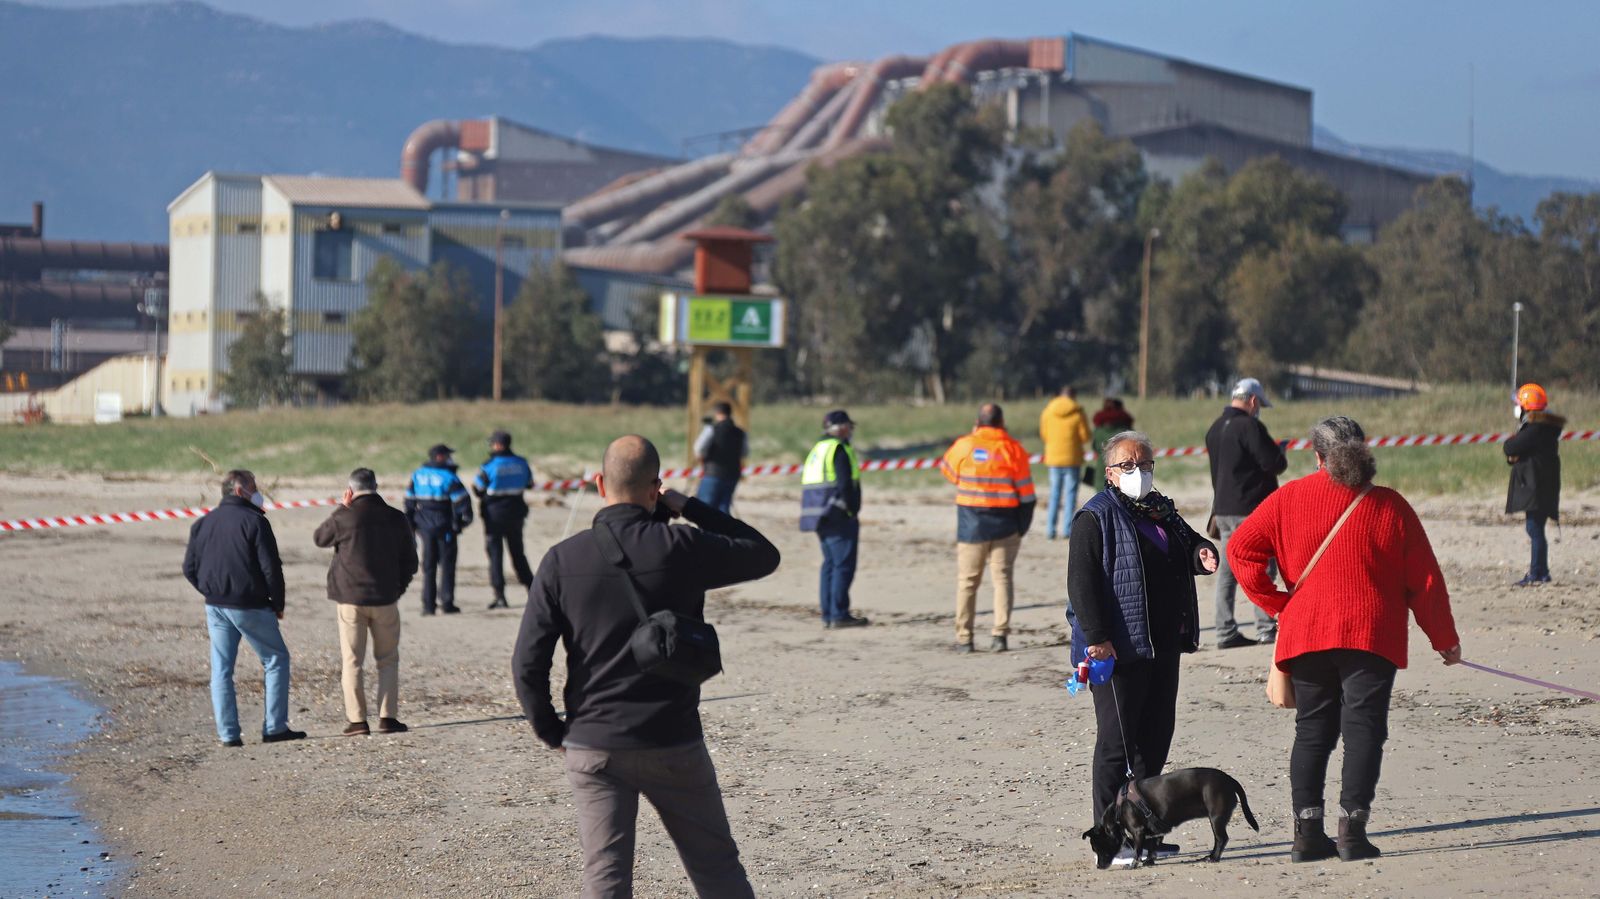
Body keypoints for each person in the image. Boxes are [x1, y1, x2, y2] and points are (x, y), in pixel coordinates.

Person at [512, 435, 779, 899]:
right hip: (673, 737)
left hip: (594, 742)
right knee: (716, 869)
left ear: (599, 483)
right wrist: (689, 505)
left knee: (606, 878)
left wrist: (553, 730)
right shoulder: (680, 544)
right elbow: (762, 554)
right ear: (656, 487)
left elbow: (527, 663)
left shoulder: (561, 560)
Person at [1228, 416, 1461, 862]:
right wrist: (1444, 639)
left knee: (1312, 732)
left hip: (1307, 631)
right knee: (1364, 733)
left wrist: (1276, 601)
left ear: (1316, 456)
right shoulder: (1390, 505)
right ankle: (1352, 833)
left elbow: (1240, 549)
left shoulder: (1287, 498)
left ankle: (1307, 835)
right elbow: (1425, 581)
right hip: (1371, 633)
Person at [1068, 431, 1217, 867]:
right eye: (1130, 465)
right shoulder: (1094, 518)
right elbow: (1081, 584)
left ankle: (1143, 834)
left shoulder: (1161, 510)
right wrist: (1096, 638)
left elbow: (1186, 545)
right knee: (1116, 745)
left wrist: (1202, 553)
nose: (1141, 472)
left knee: (1153, 741)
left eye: (1147, 464)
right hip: (1116, 649)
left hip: (1163, 643)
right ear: (1111, 473)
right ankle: (1109, 840)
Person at [182, 469, 305, 746]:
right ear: (239, 490)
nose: (257, 491)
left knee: (221, 670)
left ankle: (229, 734)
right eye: (253, 486)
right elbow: (271, 568)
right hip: (249, 605)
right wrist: (278, 603)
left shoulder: (203, 523)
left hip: (216, 605)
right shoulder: (255, 522)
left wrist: (211, 590)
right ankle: (274, 727)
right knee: (276, 659)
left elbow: (189, 568)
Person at [313, 468, 419, 736]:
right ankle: (387, 717)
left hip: (350, 599)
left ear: (350, 489)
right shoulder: (396, 517)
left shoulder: (345, 518)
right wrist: (398, 588)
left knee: (352, 661)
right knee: (387, 659)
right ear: (376, 485)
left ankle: (358, 720)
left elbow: (320, 539)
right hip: (385, 598)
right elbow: (410, 561)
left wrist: (340, 508)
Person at [941, 403, 1037, 653]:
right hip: (1006, 525)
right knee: (1002, 579)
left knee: (967, 582)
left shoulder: (965, 445)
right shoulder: (1014, 449)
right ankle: (999, 636)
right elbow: (1027, 495)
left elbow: (949, 472)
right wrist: (1021, 527)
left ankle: (964, 638)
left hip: (971, 525)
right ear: (1002, 422)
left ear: (978, 422)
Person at [1204, 377, 1287, 649]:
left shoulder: (1215, 428)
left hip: (1223, 510)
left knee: (1228, 572)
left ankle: (1225, 630)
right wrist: (1279, 450)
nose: (1258, 408)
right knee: (1263, 567)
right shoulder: (1250, 426)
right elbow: (1273, 463)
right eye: (1259, 404)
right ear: (1253, 401)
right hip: (1250, 510)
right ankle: (1265, 628)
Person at [800, 410, 868, 628]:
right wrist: (851, 510)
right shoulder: (838, 449)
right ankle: (839, 614)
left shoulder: (817, 449)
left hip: (817, 516)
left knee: (829, 565)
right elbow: (845, 484)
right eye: (849, 426)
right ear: (841, 428)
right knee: (842, 565)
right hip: (837, 515)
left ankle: (828, 614)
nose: (851, 431)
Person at [1504, 383, 1563, 586]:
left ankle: (1537, 572)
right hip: (1544, 484)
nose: (1516, 408)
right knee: (1536, 528)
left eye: (1519, 404)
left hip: (1536, 485)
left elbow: (1511, 446)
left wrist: (1512, 449)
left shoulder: (1535, 428)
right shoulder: (1546, 426)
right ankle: (1542, 571)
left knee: (1534, 528)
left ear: (1526, 406)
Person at [405, 443, 473, 615]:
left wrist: (411, 525)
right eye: (448, 455)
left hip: (424, 528)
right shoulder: (449, 477)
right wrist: (462, 522)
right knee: (447, 566)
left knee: (428, 567)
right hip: (445, 527)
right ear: (441, 457)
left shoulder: (417, 475)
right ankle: (447, 603)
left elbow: (409, 502)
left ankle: (428, 606)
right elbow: (462, 502)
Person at [473, 430, 535, 609]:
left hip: (494, 516)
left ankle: (500, 596)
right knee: (518, 553)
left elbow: (478, 489)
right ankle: (532, 589)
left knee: (495, 556)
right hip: (516, 513)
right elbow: (529, 483)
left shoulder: (489, 466)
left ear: (498, 445)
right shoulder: (522, 462)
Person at [1039, 386, 1092, 540]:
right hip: (1072, 459)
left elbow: (1044, 434)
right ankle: (1067, 530)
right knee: (1070, 495)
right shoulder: (1078, 412)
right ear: (1073, 397)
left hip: (1054, 458)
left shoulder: (1048, 411)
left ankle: (1050, 529)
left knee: (1054, 494)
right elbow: (1085, 436)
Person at [694, 402, 748, 514]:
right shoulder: (741, 433)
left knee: (705, 510)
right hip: (733, 474)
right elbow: (745, 453)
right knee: (724, 509)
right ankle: (722, 531)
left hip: (713, 473)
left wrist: (702, 461)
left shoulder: (711, 429)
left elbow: (698, 448)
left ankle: (706, 532)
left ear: (717, 413)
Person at [1085, 398, 1134, 490]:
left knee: (1101, 493)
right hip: (1122, 466)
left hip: (1102, 464)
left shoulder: (1099, 429)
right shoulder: (1126, 429)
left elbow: (1095, 446)